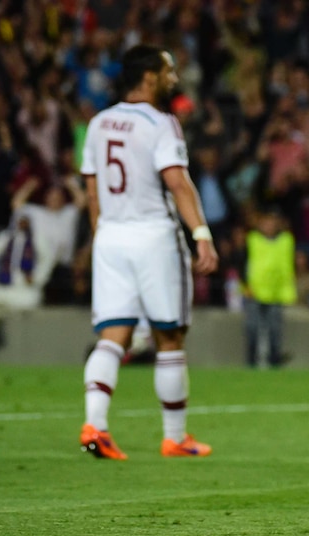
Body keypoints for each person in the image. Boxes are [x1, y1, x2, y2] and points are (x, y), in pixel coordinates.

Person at [78, 44, 219, 460]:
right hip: (153, 235)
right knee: (169, 334)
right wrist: (201, 233)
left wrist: (102, 236)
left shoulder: (99, 123)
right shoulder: (160, 122)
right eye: (168, 71)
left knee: (113, 336)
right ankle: (175, 437)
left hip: (110, 236)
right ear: (149, 76)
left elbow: (91, 191)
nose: (173, 78)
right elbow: (177, 182)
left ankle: (96, 426)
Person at [244, 208, 296, 368]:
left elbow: (287, 266)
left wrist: (288, 290)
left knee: (275, 331)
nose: (269, 226)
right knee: (252, 329)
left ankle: (274, 363)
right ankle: (251, 363)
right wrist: (244, 285)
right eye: (265, 223)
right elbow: (241, 263)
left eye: (272, 223)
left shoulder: (286, 240)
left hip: (276, 292)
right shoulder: (251, 239)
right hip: (254, 291)